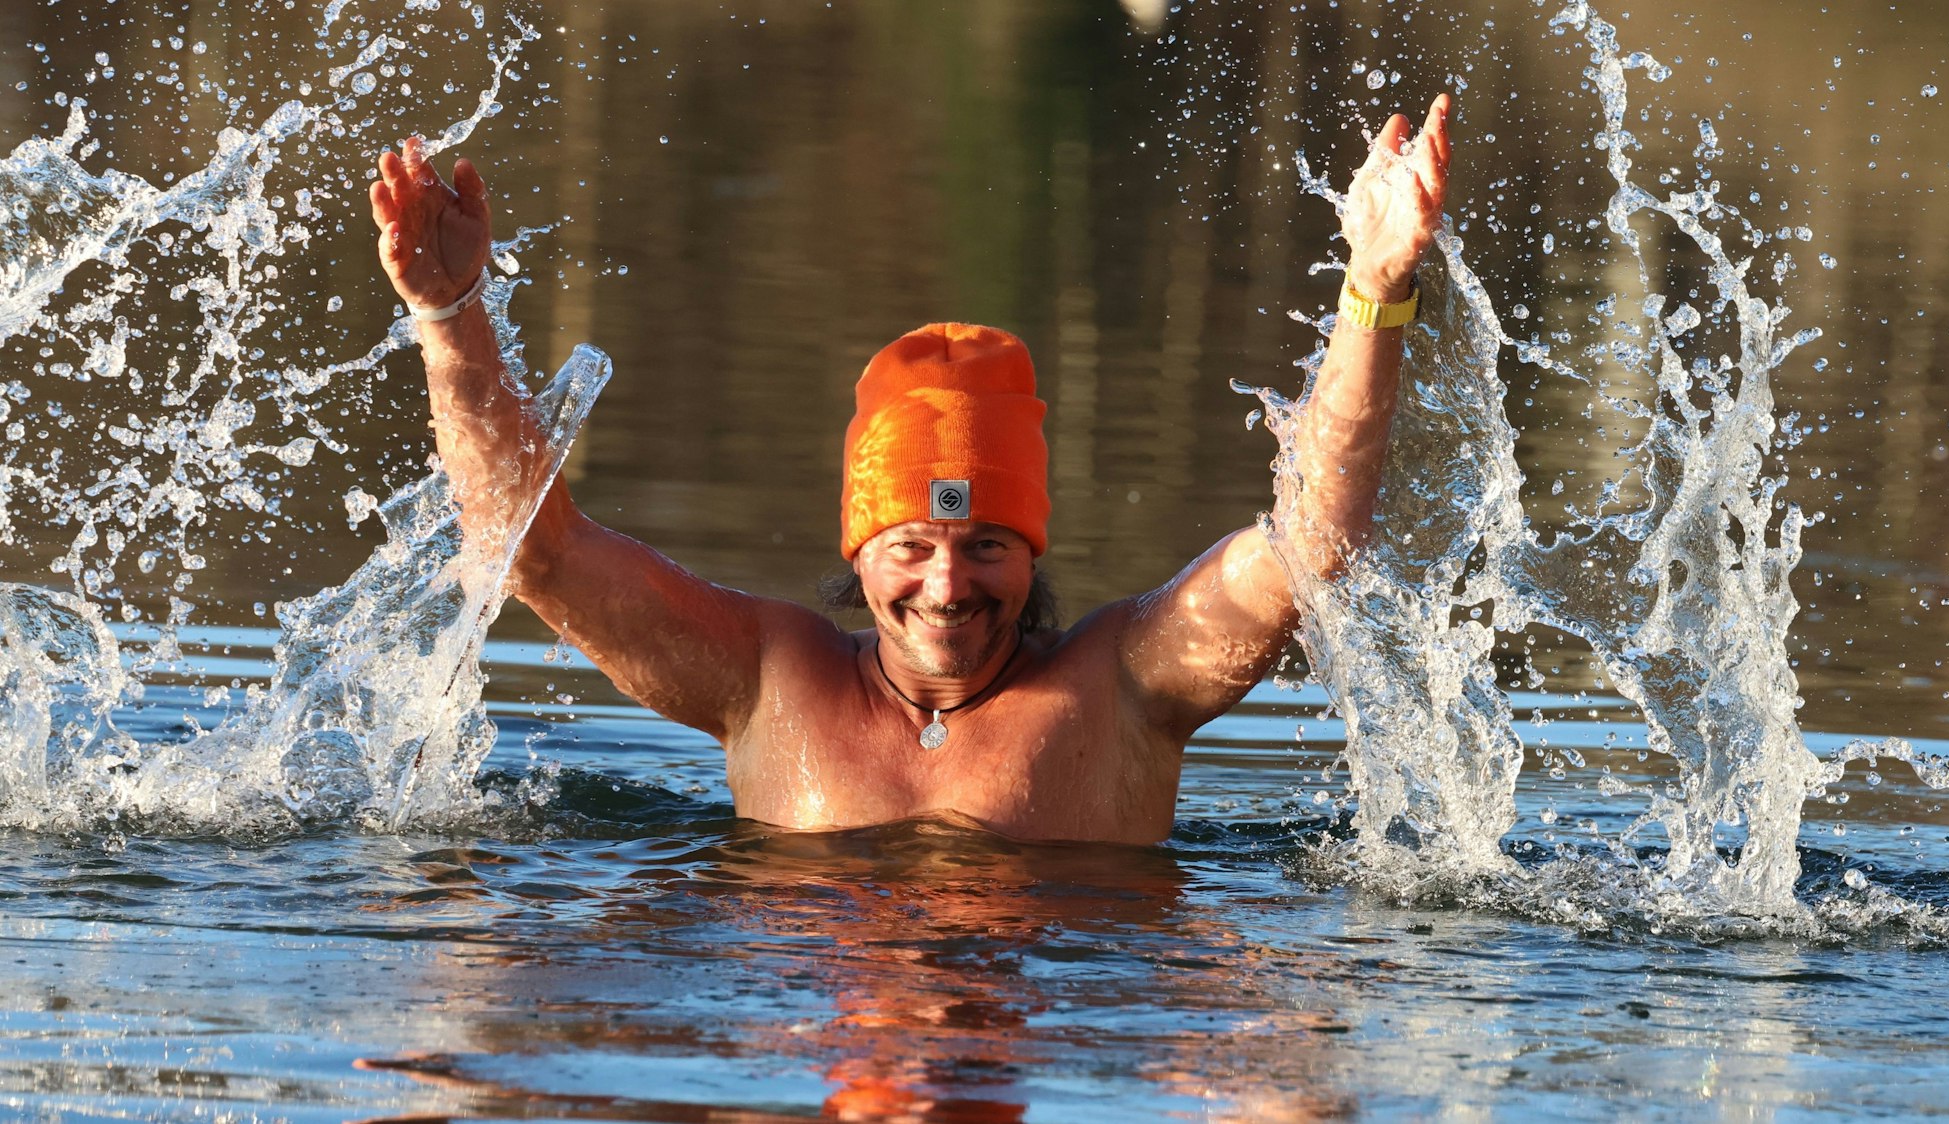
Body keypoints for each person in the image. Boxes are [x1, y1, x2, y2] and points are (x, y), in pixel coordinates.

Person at [368, 95, 1452, 846]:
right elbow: (537, 554)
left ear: (1033, 550)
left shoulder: (1123, 683)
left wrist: (1375, 291)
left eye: (985, 544)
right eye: (913, 544)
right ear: (859, 547)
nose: (946, 584)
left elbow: (1313, 542)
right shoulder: (768, 677)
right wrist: (450, 316)